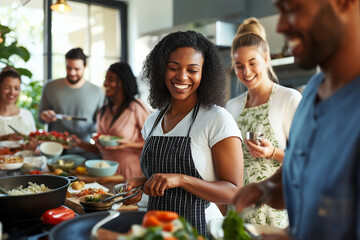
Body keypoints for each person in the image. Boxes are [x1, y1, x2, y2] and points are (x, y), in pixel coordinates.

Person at [233, 0, 360, 239]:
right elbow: (304, 171)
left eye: (291, 9)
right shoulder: (312, 91)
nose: (280, 26)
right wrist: (267, 187)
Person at [122, 31, 244, 235]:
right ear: (161, 70)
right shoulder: (153, 120)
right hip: (157, 229)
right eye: (173, 68)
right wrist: (140, 183)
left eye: (192, 70)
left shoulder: (216, 118)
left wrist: (182, 179)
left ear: (204, 73)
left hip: (201, 230)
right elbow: (157, 175)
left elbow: (233, 192)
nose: (182, 76)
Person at [226, 17, 302, 228]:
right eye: (239, 66)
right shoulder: (232, 107)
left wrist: (272, 153)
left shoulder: (288, 99)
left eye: (253, 63)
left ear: (266, 59)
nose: (246, 72)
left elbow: (304, 161)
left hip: (277, 212)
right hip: (239, 210)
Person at [71, 62, 149, 180]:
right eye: (105, 79)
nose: (105, 83)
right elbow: (100, 149)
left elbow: (152, 143)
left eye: (111, 79)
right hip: (103, 170)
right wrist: (79, 143)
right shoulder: (103, 110)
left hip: (129, 171)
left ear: (123, 82)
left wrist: (129, 145)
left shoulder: (136, 107)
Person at [39, 48, 104, 158]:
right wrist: (44, 116)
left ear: (85, 67)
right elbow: (40, 118)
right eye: (69, 68)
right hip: (54, 150)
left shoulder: (97, 92)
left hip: (85, 150)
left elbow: (100, 125)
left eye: (77, 69)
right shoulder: (50, 87)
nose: (72, 73)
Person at [0, 67, 37, 150]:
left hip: (25, 162)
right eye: (7, 88)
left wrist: (32, 147)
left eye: (16, 88)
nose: (12, 92)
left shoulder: (26, 114)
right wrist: (3, 138)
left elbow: (34, 148)